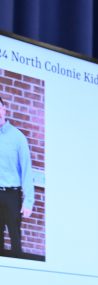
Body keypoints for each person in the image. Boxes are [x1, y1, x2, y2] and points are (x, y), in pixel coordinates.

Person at [0, 95, 35, 257]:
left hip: (12, 196)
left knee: (15, 240)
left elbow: (27, 170)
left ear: (4, 109)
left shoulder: (18, 137)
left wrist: (28, 201)